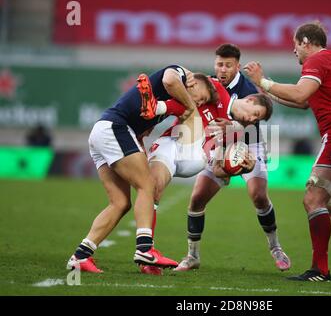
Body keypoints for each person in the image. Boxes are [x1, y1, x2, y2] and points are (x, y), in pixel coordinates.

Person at [245, 22, 331, 282]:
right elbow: (306, 102)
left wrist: (263, 80)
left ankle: (320, 270)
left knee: (312, 200)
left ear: (306, 41)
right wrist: (268, 93)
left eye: (295, 44)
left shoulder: (318, 60)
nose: (293, 50)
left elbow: (300, 93)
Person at [67, 65, 207, 273]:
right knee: (147, 185)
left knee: (120, 203)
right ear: (193, 83)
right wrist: (190, 105)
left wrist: (169, 110)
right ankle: (145, 249)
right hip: (115, 129)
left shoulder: (171, 105)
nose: (198, 104)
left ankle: (80, 257)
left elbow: (143, 132)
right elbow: (170, 80)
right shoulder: (179, 72)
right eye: (200, 98)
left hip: (102, 132)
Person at [174, 44, 290, 272]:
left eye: (228, 65)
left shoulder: (248, 90)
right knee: (197, 198)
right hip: (220, 145)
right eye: (219, 64)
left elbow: (250, 122)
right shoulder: (208, 85)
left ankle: (275, 247)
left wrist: (234, 126)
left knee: (258, 196)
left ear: (237, 66)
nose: (223, 69)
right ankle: (192, 256)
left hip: (249, 144)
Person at [140, 76, 272, 274]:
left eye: (257, 119)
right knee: (154, 189)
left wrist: (242, 168)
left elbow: (219, 170)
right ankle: (146, 255)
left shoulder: (235, 135)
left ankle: (157, 106)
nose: (253, 120)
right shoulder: (217, 92)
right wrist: (194, 86)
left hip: (194, 159)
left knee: (191, 113)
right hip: (173, 144)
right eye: (255, 114)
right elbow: (198, 84)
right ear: (250, 101)